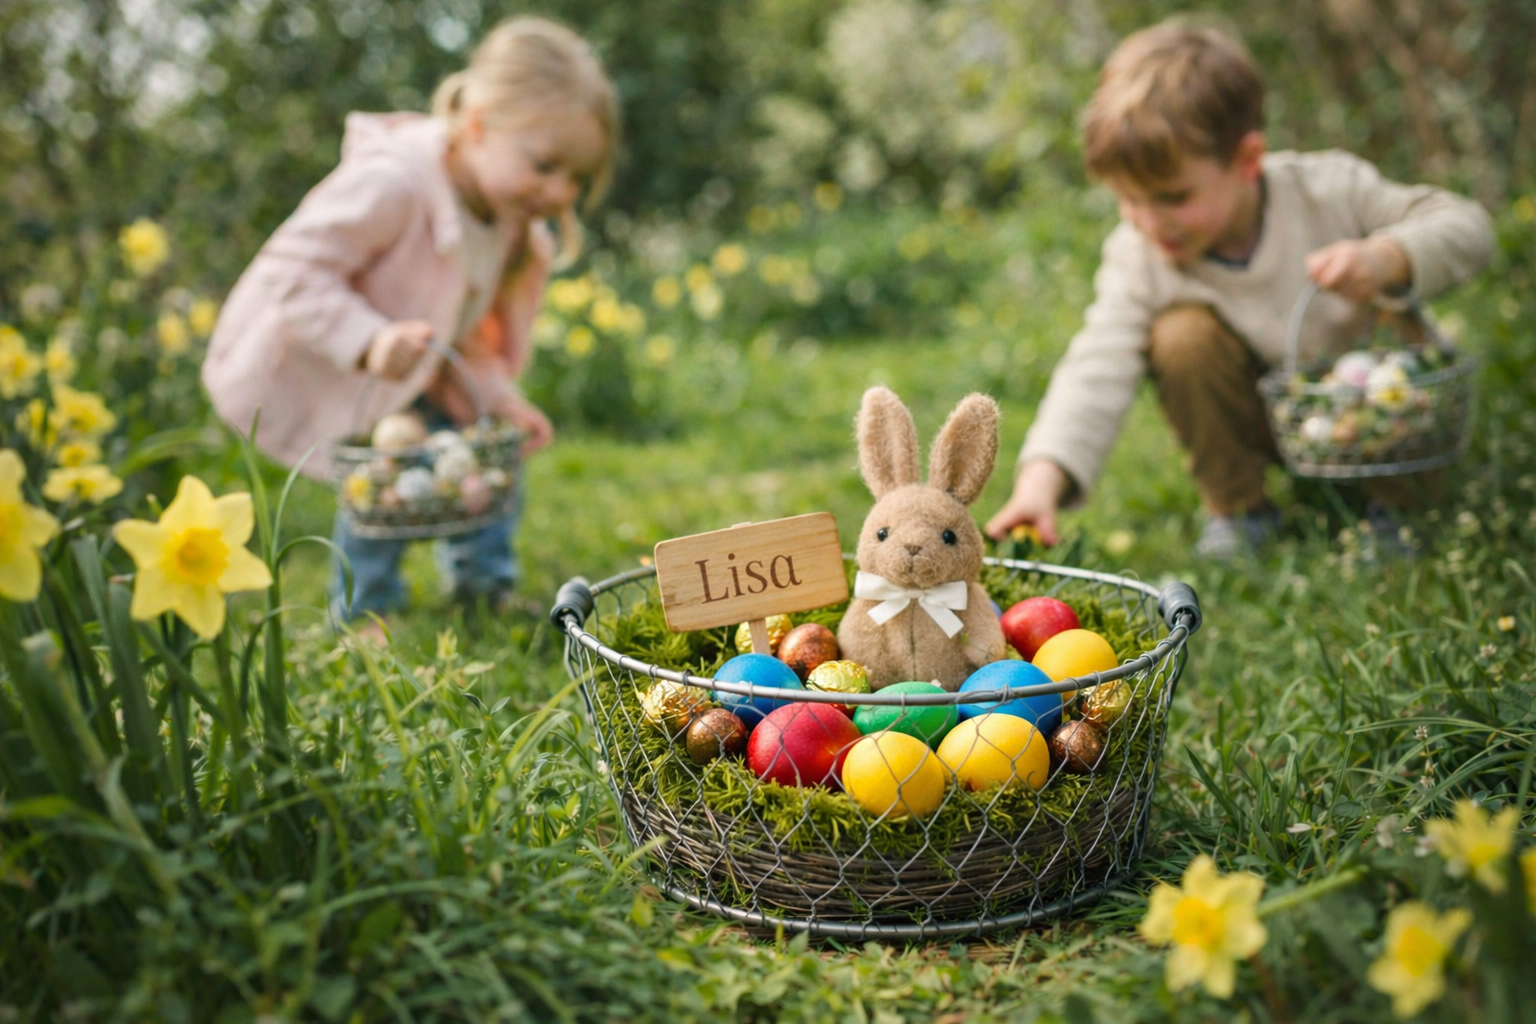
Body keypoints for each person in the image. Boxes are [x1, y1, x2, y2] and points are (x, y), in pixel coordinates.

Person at [983, 19, 1493, 559]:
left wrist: (1389, 257)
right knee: (1182, 336)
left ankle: (1398, 504)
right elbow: (1096, 365)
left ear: (1247, 161)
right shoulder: (1140, 255)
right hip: (1278, 425)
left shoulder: (1330, 191)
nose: (1150, 222)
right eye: (1129, 201)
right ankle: (1240, 509)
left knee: (1393, 314)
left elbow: (1467, 226)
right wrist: (1041, 483)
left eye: (1173, 197)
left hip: (1382, 417)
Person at [203, 16, 619, 621]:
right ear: (477, 124)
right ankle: (366, 609)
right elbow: (289, 268)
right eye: (546, 164)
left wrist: (497, 396)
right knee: (382, 489)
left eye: (577, 178)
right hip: (350, 362)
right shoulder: (393, 182)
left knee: (487, 461)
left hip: (423, 370)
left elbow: (468, 327)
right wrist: (369, 339)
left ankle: (485, 589)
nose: (560, 192)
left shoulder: (504, 217)